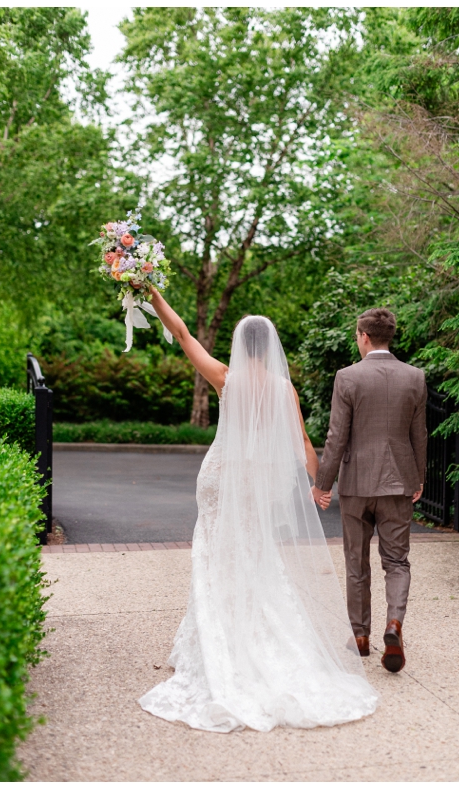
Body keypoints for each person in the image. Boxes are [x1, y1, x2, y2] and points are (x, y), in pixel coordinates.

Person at [136, 288, 379, 733]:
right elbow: (305, 443)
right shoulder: (284, 389)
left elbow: (182, 332)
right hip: (254, 487)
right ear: (269, 348)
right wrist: (319, 484)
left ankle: (217, 642)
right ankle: (247, 639)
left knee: (214, 560)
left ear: (237, 344)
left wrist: (151, 293)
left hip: (218, 480)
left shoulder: (225, 378)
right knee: (254, 557)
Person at [310, 307, 427, 673]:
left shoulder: (347, 377)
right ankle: (394, 625)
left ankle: (360, 636)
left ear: (362, 335)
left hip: (358, 484)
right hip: (398, 483)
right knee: (397, 561)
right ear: (390, 336)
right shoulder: (415, 377)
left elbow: (336, 436)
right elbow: (418, 434)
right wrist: (418, 477)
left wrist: (323, 484)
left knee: (356, 561)